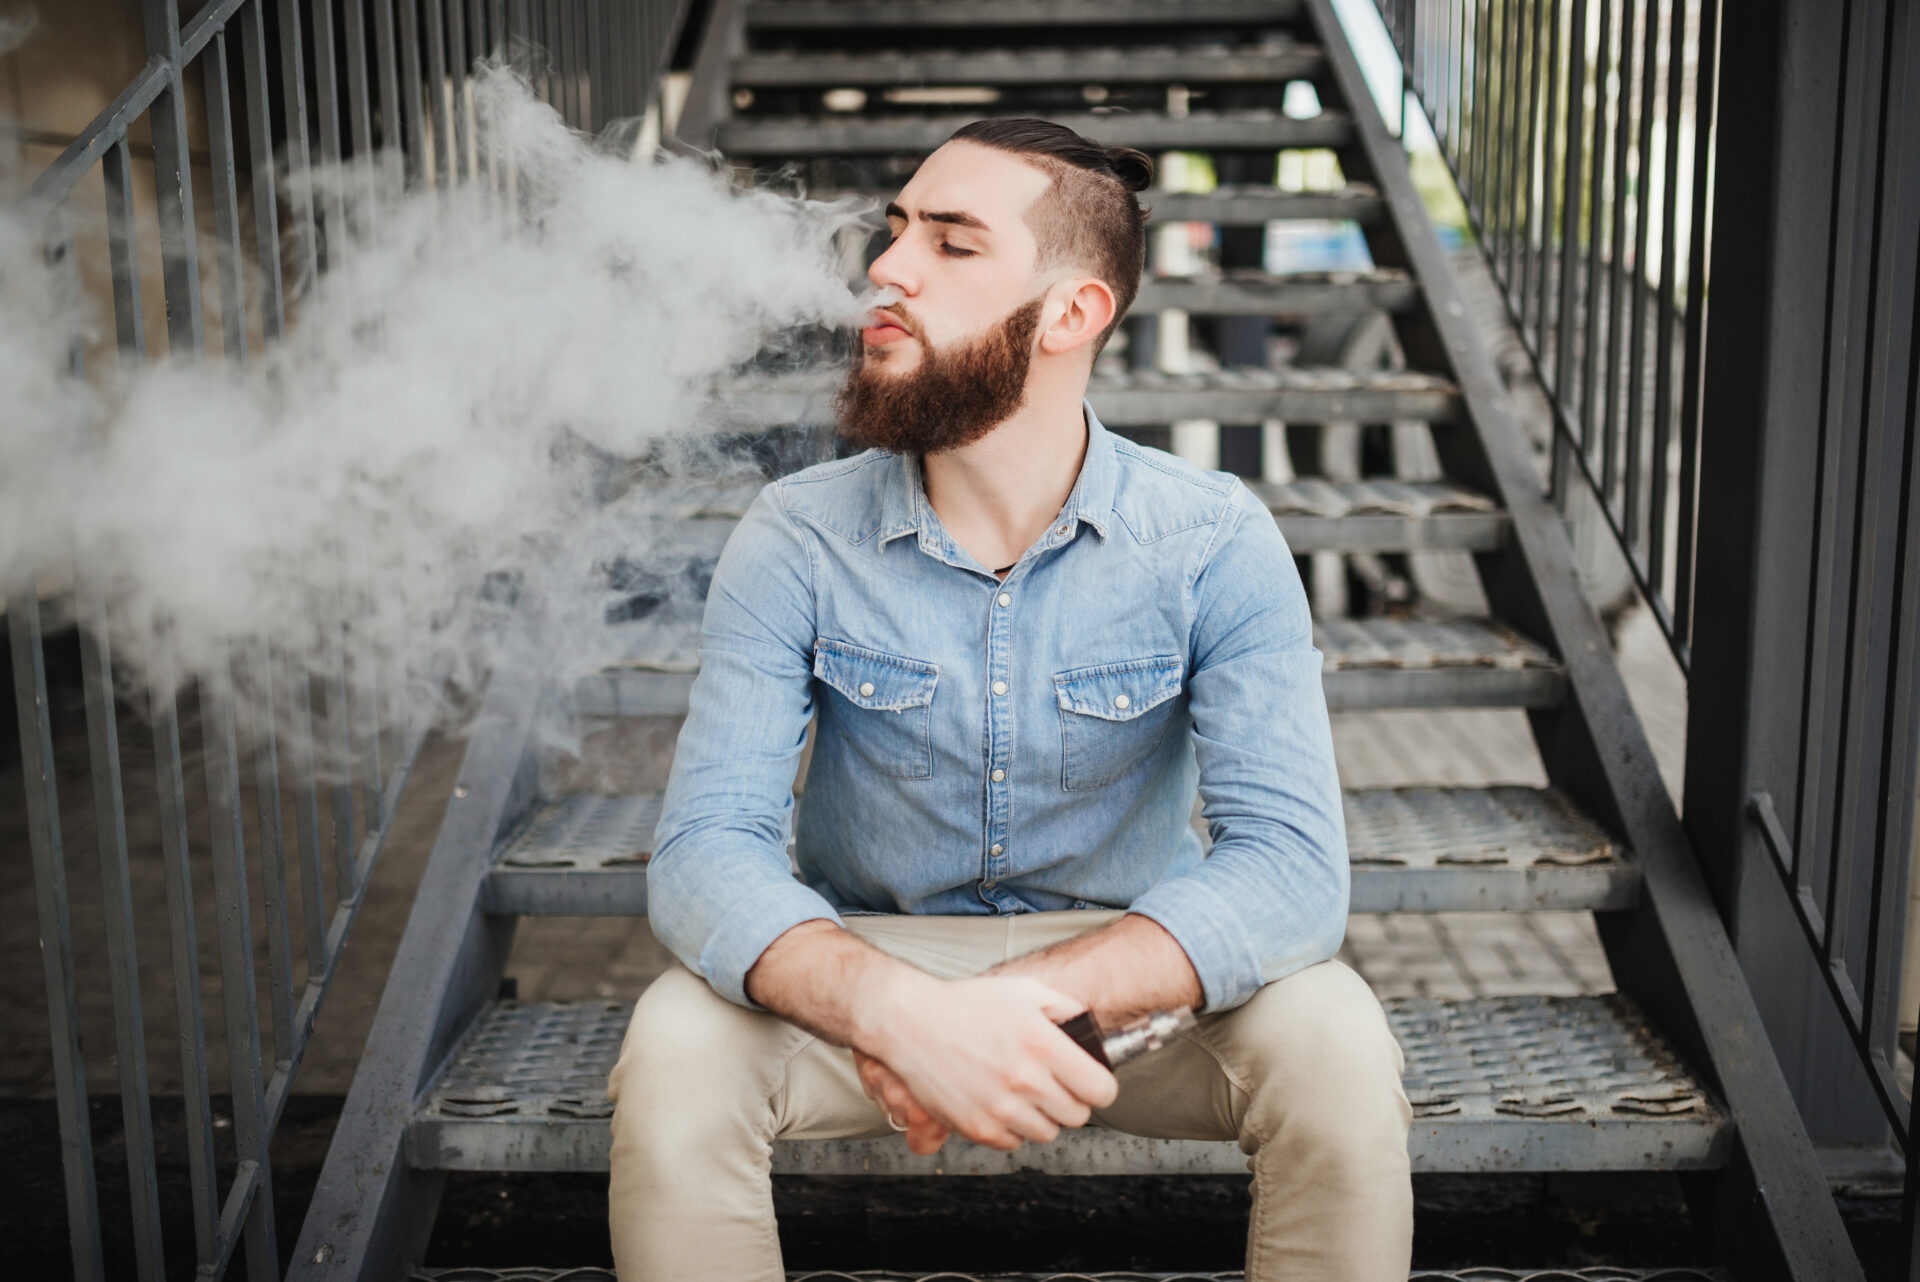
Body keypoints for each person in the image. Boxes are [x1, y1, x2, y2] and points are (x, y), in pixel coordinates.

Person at [606, 117, 1413, 1281]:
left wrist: (1000, 1008)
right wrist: (898, 1014)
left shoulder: (1213, 541)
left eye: (951, 242)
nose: (887, 267)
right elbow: (703, 853)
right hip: (872, 967)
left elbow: (1290, 869)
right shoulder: (796, 536)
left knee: (1334, 1037)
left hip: (1130, 989)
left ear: (1072, 312)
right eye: (895, 231)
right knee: (677, 1044)